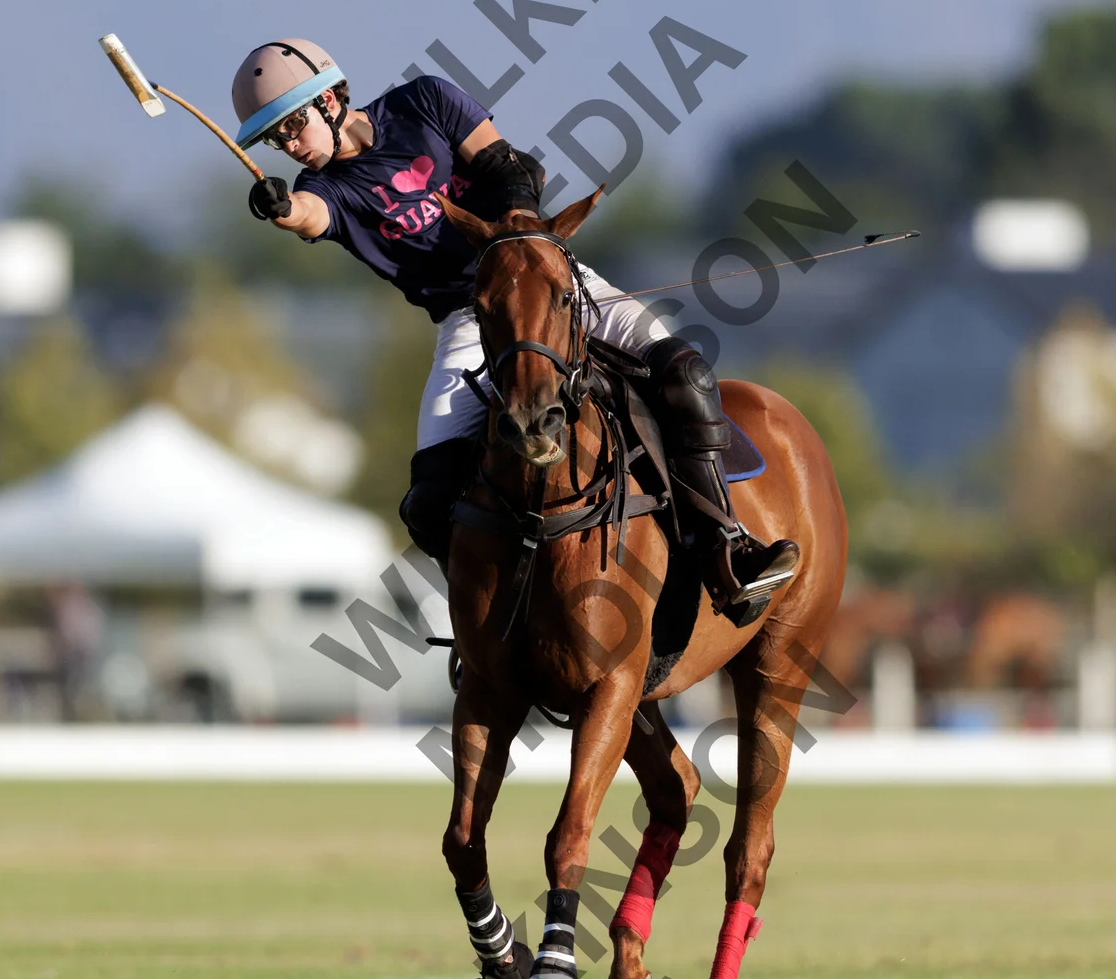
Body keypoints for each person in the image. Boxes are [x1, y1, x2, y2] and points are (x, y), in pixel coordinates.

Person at [230, 38, 796, 621]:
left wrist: (519, 255)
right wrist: (278, 208)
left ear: (329, 100)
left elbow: (507, 168)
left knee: (686, 373)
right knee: (428, 498)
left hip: (548, 283)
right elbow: (309, 216)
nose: (289, 145)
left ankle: (726, 549)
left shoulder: (425, 100)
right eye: (275, 139)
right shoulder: (325, 189)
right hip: (468, 318)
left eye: (291, 125)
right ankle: (484, 632)